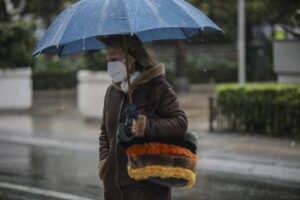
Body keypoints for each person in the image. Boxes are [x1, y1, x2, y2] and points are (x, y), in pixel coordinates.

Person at [98, 35, 188, 200]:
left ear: (131, 59)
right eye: (107, 60)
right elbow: (104, 133)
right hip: (114, 189)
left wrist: (146, 126)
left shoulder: (156, 86)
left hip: (149, 188)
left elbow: (180, 123)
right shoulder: (112, 92)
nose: (109, 65)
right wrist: (104, 164)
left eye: (114, 59)